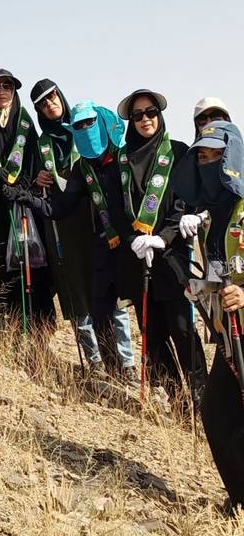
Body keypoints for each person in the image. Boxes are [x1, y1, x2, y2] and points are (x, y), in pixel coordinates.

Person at [7, 101, 144, 386]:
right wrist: (30, 199)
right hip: (101, 245)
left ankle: (136, 369)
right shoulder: (83, 168)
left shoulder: (123, 157)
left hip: (134, 243)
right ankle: (108, 368)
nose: (85, 130)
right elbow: (62, 205)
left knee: (131, 307)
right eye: (79, 126)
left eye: (89, 123)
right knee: (100, 304)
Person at [30, 79, 133, 375]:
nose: (50, 105)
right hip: (63, 226)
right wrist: (37, 180)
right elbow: (33, 181)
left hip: (96, 222)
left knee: (110, 292)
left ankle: (124, 362)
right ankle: (96, 361)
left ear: (60, 96)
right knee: (77, 292)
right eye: (42, 104)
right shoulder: (42, 143)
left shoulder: (86, 127)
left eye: (52, 98)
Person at [114, 90, 206, 404]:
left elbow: (184, 202)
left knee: (182, 329)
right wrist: (133, 239)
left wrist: (163, 236)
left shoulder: (178, 152)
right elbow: (115, 210)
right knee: (152, 334)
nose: (145, 120)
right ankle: (175, 398)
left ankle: (201, 398)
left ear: (159, 114)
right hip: (138, 258)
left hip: (172, 256)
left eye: (150, 112)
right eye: (137, 115)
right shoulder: (122, 159)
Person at [171, 120, 244, 513]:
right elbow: (222, 271)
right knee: (216, 414)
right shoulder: (214, 216)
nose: (209, 162)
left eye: (217, 155)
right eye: (202, 155)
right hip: (229, 334)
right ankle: (239, 498)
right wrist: (203, 290)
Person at [0, 69, 55, 338]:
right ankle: (2, 330)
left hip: (22, 205)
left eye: (6, 86)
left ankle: (33, 329)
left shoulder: (26, 124)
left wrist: (22, 188)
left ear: (13, 90)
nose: (1, 91)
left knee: (29, 265)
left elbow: (35, 162)